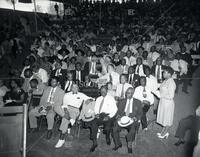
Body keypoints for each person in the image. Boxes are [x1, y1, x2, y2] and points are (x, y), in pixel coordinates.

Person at [54, 84, 92, 148]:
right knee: (56, 107)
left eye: (76, 87)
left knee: (64, 119)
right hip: (66, 108)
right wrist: (66, 111)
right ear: (71, 88)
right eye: (73, 87)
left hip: (75, 110)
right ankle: (70, 119)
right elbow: (64, 104)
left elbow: (91, 98)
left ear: (78, 88)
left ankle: (61, 139)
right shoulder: (67, 94)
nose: (74, 88)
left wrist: (89, 100)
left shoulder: (81, 94)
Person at [112, 87, 143, 153]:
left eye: (128, 93)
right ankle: (118, 144)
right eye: (126, 93)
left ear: (132, 94)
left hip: (132, 119)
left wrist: (136, 117)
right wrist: (118, 116)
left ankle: (129, 144)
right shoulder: (122, 101)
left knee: (133, 129)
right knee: (114, 128)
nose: (126, 94)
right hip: (123, 118)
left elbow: (140, 113)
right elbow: (118, 112)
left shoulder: (138, 102)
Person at [88, 85, 118, 152]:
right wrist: (96, 114)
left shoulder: (111, 98)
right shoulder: (98, 99)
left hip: (108, 115)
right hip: (100, 115)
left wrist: (109, 116)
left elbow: (115, 109)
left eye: (104, 91)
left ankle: (107, 136)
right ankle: (95, 143)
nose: (102, 92)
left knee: (107, 128)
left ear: (107, 91)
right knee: (93, 124)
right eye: (101, 91)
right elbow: (96, 108)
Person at [156, 66, 176, 138]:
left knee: (167, 119)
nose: (163, 73)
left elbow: (171, 96)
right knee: (164, 118)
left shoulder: (171, 83)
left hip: (168, 103)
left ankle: (165, 133)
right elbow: (162, 88)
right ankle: (164, 131)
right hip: (163, 102)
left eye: (164, 72)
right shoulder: (165, 80)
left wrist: (161, 95)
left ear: (169, 74)